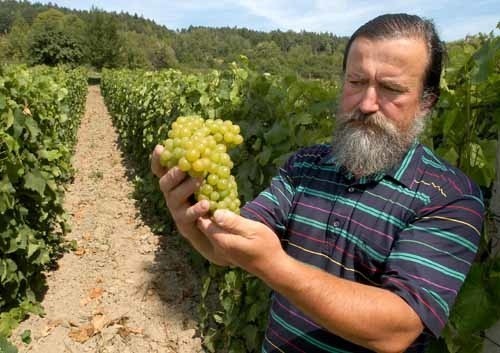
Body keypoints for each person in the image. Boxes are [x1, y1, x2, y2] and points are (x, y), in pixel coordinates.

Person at [151, 13, 484, 353]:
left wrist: (276, 267)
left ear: (427, 101)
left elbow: (396, 329)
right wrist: (195, 222)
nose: (367, 104)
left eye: (391, 89)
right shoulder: (305, 164)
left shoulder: (451, 198)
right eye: (355, 82)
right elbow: (230, 248)